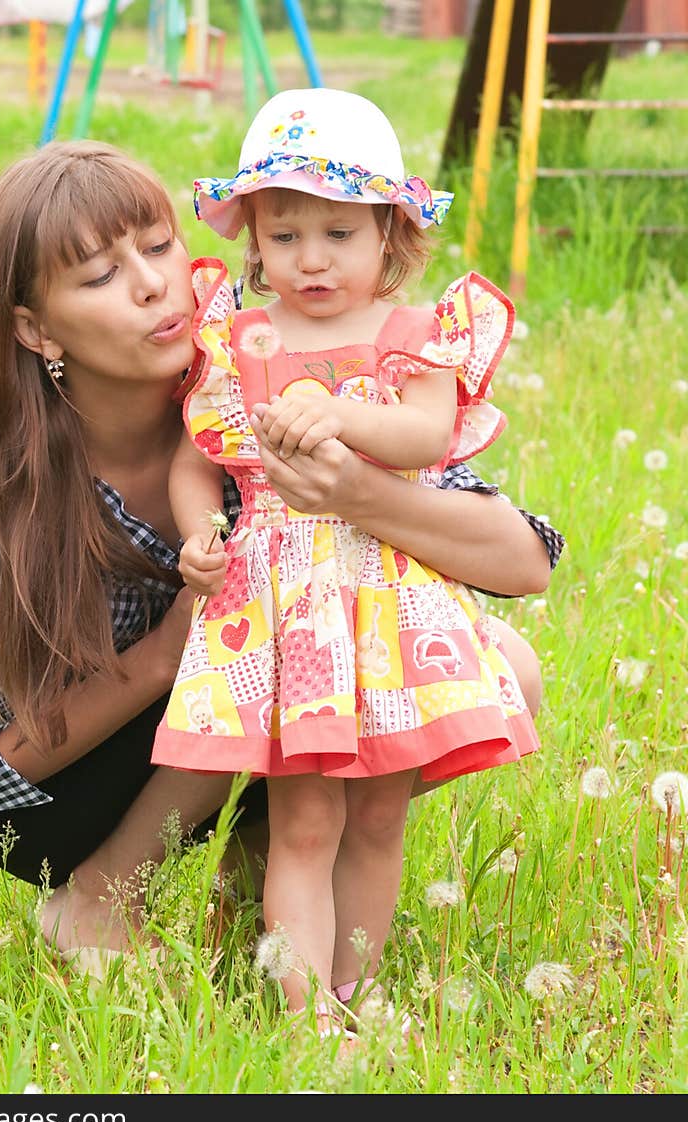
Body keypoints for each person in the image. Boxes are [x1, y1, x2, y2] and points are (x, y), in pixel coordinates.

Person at [0, 138, 563, 985]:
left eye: (158, 246)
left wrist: (352, 492)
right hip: (54, 800)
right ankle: (99, 897)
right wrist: (165, 654)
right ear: (35, 328)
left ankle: (266, 867)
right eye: (99, 278)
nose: (149, 285)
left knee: (502, 665)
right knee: (251, 646)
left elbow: (522, 559)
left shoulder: (263, 378)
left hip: (241, 718)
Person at [151, 88, 554, 1032]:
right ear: (253, 236)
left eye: (339, 232)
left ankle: (358, 992)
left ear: (390, 236)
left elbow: (424, 436)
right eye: (284, 236)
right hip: (285, 610)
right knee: (304, 819)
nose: (312, 259)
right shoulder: (241, 344)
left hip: (386, 603)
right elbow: (195, 460)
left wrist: (338, 413)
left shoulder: (413, 339)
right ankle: (305, 1019)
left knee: (376, 817)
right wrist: (196, 534)